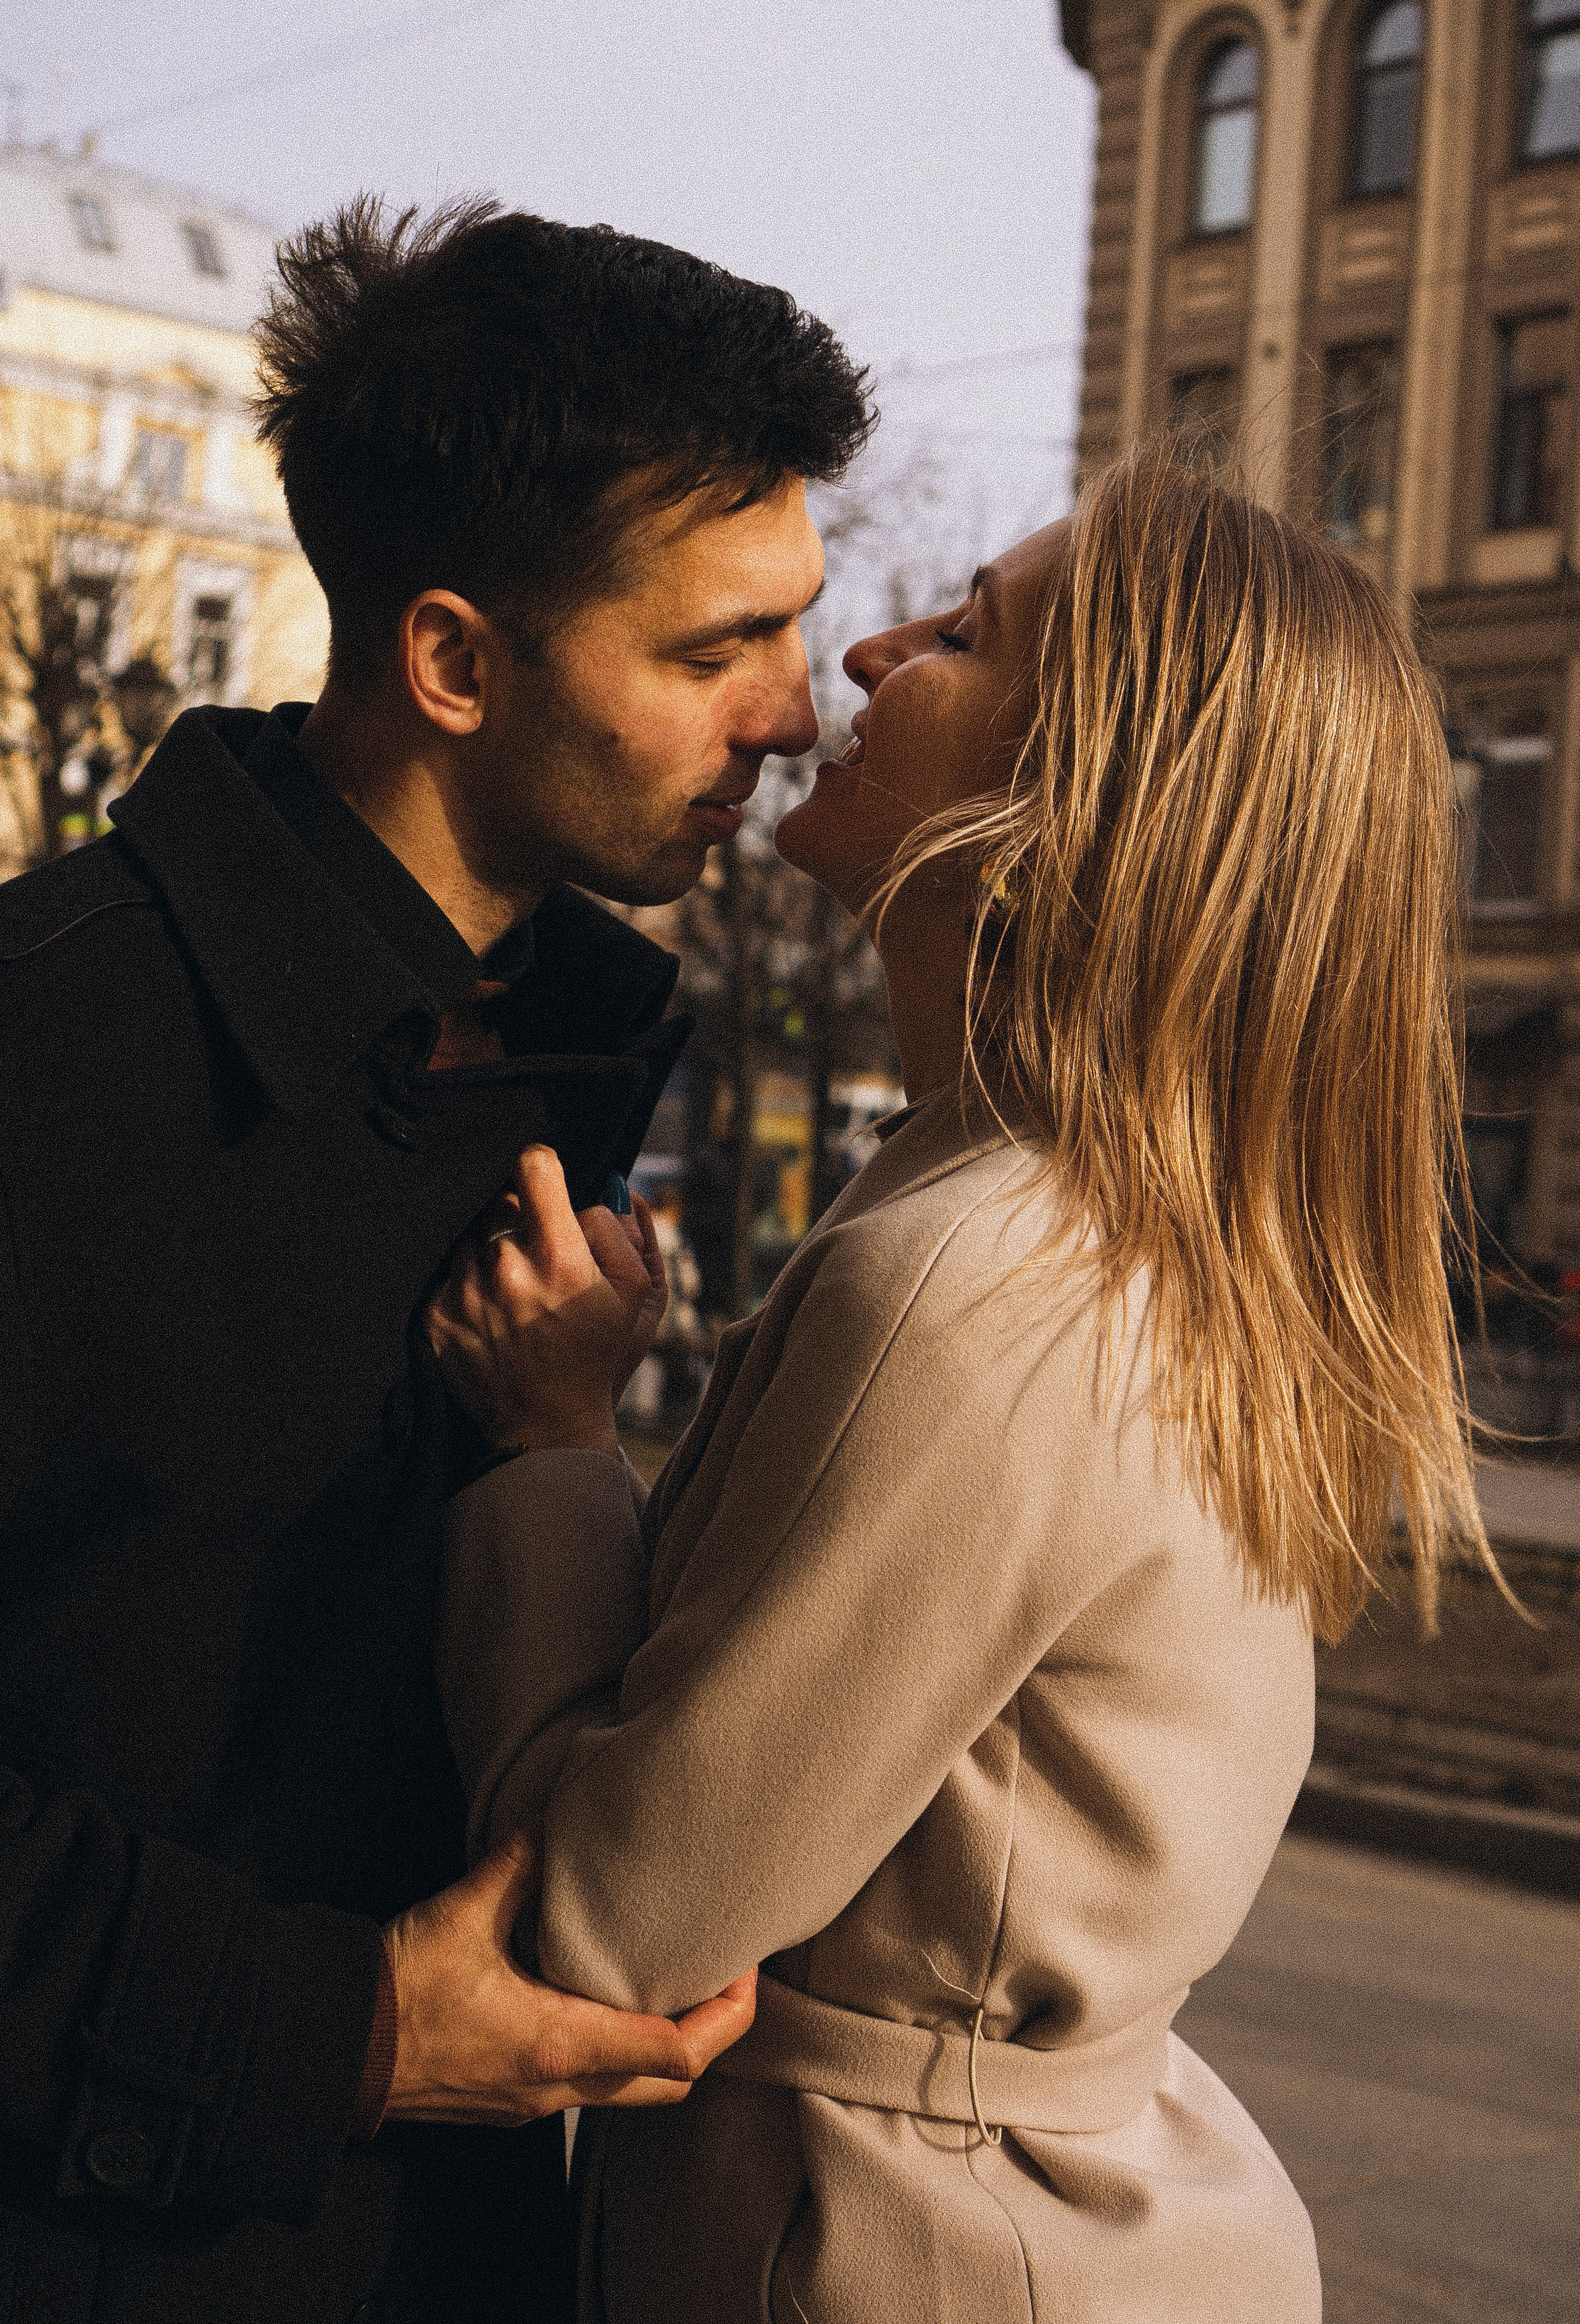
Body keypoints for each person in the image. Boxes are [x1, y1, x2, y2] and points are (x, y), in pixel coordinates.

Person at [428, 443, 1495, 2320]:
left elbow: (618, 1927)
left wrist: (554, 1441)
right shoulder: (1112, 1216)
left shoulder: (985, 1277)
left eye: (966, 634)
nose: (865, 655)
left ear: (1082, 783)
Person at [0, 198, 870, 2324]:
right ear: (456, 659)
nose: (797, 717)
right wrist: (336, 2024)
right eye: (709, 652)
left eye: (799, 629)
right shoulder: (48, 1054)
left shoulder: (569, 1064)